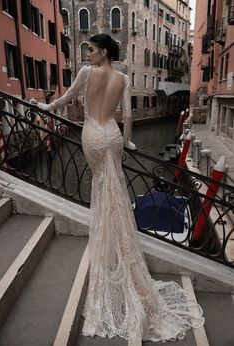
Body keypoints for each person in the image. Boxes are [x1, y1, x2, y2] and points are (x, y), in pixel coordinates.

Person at [31, 33, 204, 342]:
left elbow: (67, 99)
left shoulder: (85, 74)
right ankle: (119, 249)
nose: (88, 56)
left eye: (93, 50)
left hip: (93, 137)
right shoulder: (123, 78)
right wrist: (125, 145)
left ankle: (110, 250)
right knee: (115, 196)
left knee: (103, 192)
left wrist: (45, 107)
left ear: (105, 52)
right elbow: (128, 119)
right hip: (111, 137)